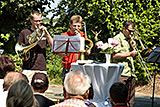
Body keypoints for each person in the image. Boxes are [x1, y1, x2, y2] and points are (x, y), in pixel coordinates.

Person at [17, 9, 53, 82]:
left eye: (40, 21)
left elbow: (53, 46)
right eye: (36, 21)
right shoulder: (24, 32)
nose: (38, 23)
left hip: (41, 67)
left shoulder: (44, 33)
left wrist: (47, 34)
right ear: (31, 20)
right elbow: (20, 50)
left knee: (41, 91)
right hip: (28, 68)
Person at [112, 20, 138, 107]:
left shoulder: (130, 40)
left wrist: (133, 50)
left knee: (130, 99)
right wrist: (130, 54)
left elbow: (133, 57)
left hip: (131, 72)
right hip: (122, 72)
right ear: (124, 28)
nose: (131, 33)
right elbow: (115, 56)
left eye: (133, 32)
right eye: (129, 31)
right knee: (120, 98)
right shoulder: (117, 38)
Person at [59, 15, 90, 81]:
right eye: (74, 26)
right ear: (70, 25)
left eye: (78, 26)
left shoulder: (83, 35)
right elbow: (60, 55)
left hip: (80, 66)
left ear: (81, 26)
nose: (76, 28)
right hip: (67, 66)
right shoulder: (64, 35)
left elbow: (88, 52)